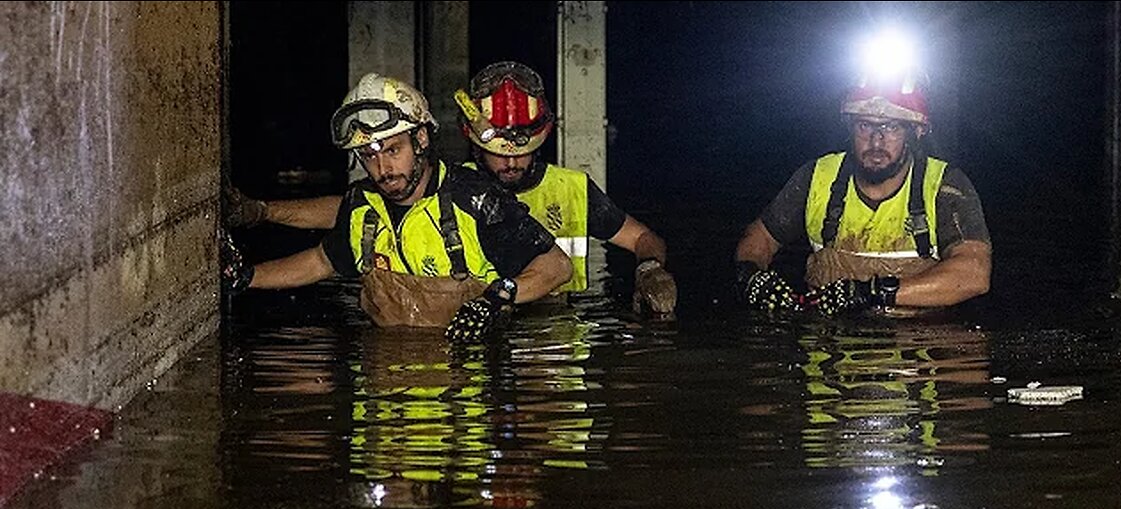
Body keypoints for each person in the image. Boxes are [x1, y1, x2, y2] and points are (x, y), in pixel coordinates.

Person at [225, 61, 677, 316]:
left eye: (393, 151)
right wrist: (261, 220)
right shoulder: (429, 188)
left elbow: (610, 247)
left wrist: (648, 268)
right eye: (497, 151)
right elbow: (345, 221)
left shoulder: (498, 194)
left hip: (548, 327)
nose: (511, 161)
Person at [221, 73, 572, 343]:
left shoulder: (474, 198)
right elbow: (322, 261)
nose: (382, 168)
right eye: (369, 156)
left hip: (466, 390)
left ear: (420, 140)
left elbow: (556, 266)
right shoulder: (363, 206)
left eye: (393, 151)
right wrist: (248, 278)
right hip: (386, 383)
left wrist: (498, 297)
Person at [733, 55, 991, 318]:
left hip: (919, 346)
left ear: (915, 132)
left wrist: (873, 292)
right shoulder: (818, 178)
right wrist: (751, 275)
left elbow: (974, 274)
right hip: (830, 342)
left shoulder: (944, 187)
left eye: (891, 127)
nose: (876, 141)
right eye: (865, 125)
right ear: (850, 127)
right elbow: (758, 239)